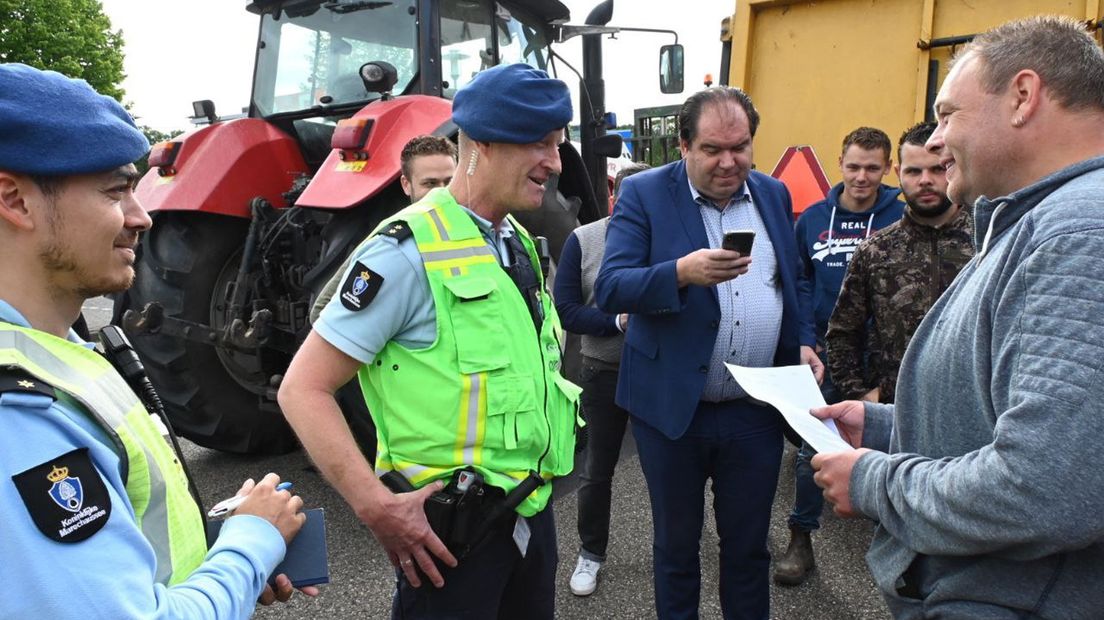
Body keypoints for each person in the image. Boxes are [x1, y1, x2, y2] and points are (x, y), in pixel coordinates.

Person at [812, 16, 1104, 617]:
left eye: (947, 115)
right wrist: (890, 427)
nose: (937, 143)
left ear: (1023, 97)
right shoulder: (1036, 221)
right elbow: (1012, 418)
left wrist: (874, 481)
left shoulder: (1077, 233)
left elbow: (1045, 487)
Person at [0, 63, 311, 619]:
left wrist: (220, 562)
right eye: (116, 190)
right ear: (15, 200)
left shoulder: (55, 351)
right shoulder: (18, 412)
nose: (142, 216)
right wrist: (252, 543)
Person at [278, 63, 579, 619]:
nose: (555, 163)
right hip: (448, 539)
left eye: (558, 144)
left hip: (530, 513)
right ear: (482, 144)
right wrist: (377, 507)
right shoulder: (403, 252)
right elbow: (302, 389)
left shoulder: (514, 241)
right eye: (539, 143)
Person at [595, 87, 820, 620]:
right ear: (683, 146)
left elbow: (793, 281)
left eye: (740, 147)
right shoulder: (645, 194)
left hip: (754, 410)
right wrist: (679, 273)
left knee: (748, 549)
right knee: (676, 550)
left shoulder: (771, 193)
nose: (729, 162)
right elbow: (611, 288)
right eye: (713, 149)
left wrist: (804, 339)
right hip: (674, 410)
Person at [777, 126, 905, 587]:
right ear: (840, 163)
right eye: (853, 166)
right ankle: (801, 537)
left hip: (886, 354)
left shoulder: (900, 215)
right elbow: (800, 281)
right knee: (812, 442)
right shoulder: (813, 219)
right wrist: (804, 338)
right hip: (829, 351)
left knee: (893, 442)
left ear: (888, 167)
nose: (862, 176)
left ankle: (896, 541)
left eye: (872, 167)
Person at [826, 121, 973, 404]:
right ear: (897, 173)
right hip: (896, 414)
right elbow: (842, 333)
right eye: (914, 171)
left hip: (969, 411)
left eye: (937, 169)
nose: (925, 180)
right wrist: (860, 397)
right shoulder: (875, 251)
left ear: (953, 166)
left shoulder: (986, 242)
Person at [555, 162, 648, 597]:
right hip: (603, 372)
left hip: (657, 372)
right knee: (597, 470)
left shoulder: (668, 238)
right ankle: (590, 554)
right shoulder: (584, 239)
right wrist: (618, 321)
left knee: (671, 468)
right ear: (616, 198)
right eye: (628, 199)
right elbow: (568, 311)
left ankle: (676, 547)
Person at [310, 135, 457, 322]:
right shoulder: (390, 240)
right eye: (430, 183)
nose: (441, 192)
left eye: (449, 182)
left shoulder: (486, 229)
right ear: (406, 185)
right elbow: (322, 312)